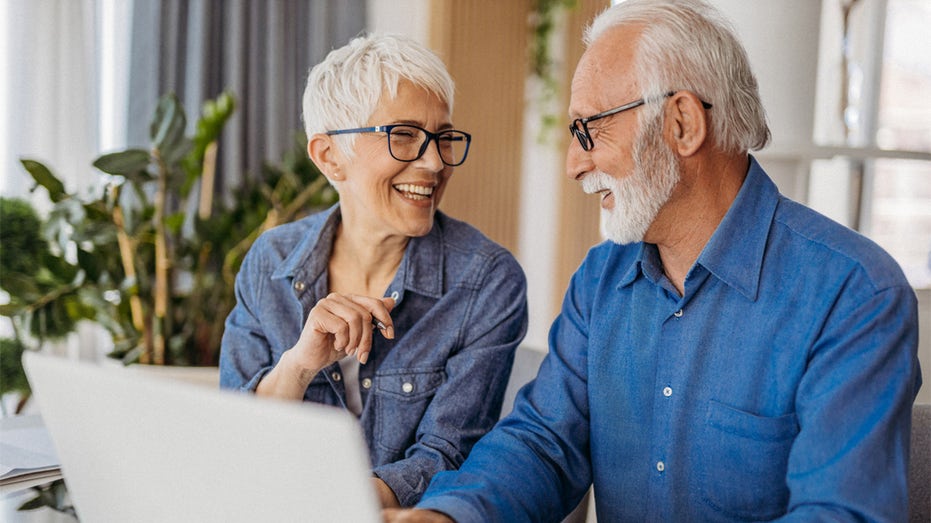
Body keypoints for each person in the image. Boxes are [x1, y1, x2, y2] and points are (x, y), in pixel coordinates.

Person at [384, 1, 922, 521]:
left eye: (588, 129)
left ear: (682, 122)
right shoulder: (600, 279)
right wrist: (448, 516)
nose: (575, 164)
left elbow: (841, 514)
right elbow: (543, 444)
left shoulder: (854, 294)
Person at [218, 33, 528, 509]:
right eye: (403, 136)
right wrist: (299, 365)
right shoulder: (269, 263)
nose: (434, 163)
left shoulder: (487, 280)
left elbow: (447, 457)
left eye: (443, 137)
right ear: (328, 156)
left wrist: (332, 508)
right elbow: (232, 446)